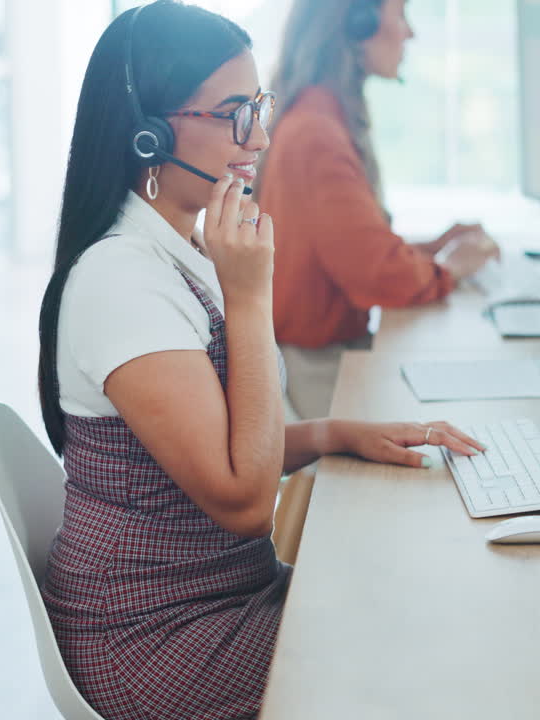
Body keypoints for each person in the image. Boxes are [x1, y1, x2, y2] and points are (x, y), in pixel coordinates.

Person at [36, 2, 484, 718]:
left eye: (260, 107)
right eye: (235, 113)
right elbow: (244, 504)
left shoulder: (183, 243)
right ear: (149, 133)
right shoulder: (121, 281)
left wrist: (337, 433)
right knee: (424, 637)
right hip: (156, 638)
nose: (262, 136)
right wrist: (248, 299)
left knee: (423, 594)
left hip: (222, 596)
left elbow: (228, 438)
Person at [255, 0, 502, 419]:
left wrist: (437, 246)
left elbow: (352, 245)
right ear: (358, 24)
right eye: (401, 15)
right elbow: (376, 272)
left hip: (323, 358)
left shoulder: (321, 113)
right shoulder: (317, 132)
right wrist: (451, 267)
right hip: (317, 372)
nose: (410, 33)